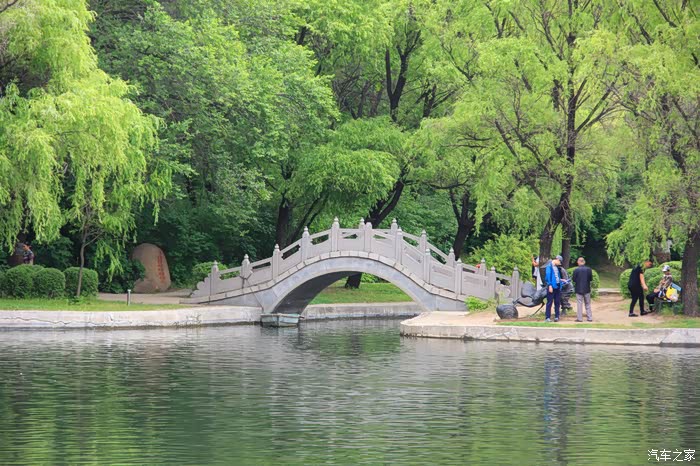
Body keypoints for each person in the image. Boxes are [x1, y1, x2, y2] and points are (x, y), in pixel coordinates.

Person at [572, 257, 593, 322]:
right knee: (588, 304)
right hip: (587, 289)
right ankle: (589, 318)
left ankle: (580, 318)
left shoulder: (576, 270)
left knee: (579, 304)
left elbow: (574, 279)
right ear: (584, 262)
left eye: (577, 261)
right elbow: (590, 279)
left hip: (578, 289)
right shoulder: (589, 269)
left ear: (579, 262)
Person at [544, 255, 564, 322]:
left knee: (557, 302)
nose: (559, 264)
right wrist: (550, 285)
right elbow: (548, 276)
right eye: (559, 262)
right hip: (552, 286)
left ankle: (557, 316)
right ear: (557, 259)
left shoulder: (557, 267)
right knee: (549, 302)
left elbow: (556, 277)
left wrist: (561, 280)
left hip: (557, 286)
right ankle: (547, 317)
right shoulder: (549, 266)